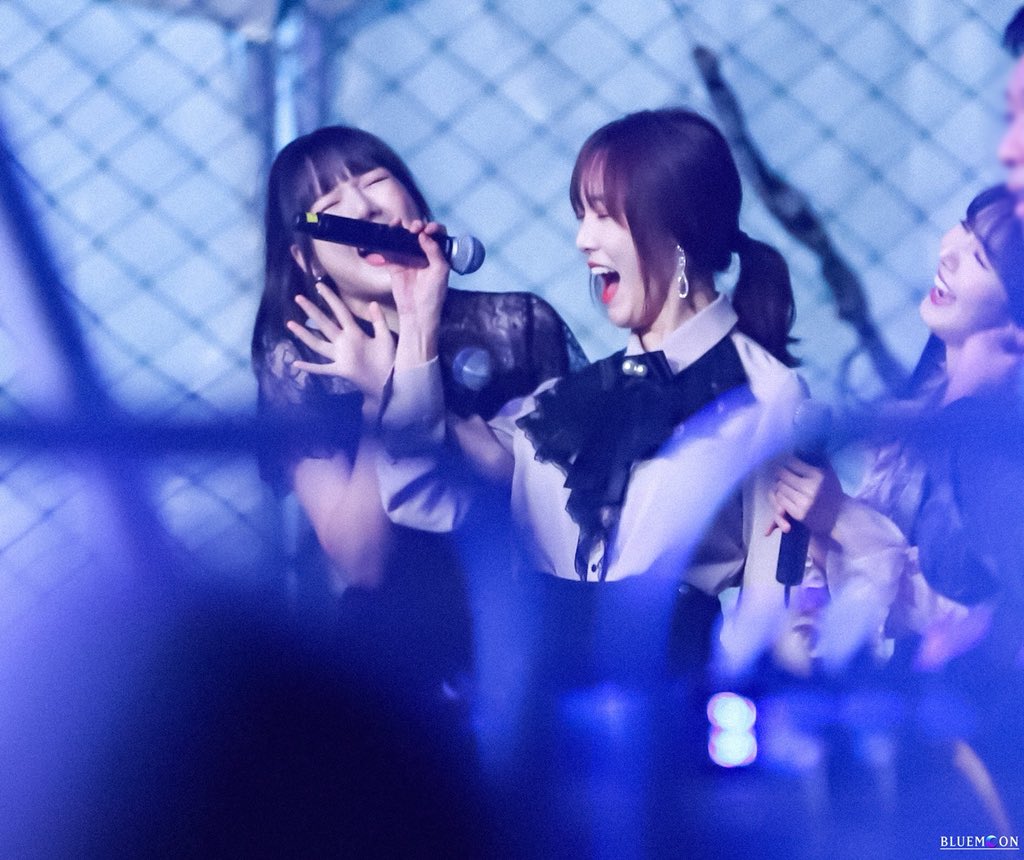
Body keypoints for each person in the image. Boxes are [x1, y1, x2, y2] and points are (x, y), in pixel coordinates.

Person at [374, 108, 806, 683]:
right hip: (536, 700)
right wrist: (417, 320)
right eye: (581, 216)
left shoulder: (767, 393)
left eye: (603, 215)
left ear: (678, 230)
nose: (583, 240)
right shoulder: (559, 403)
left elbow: (773, 604)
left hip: (667, 704)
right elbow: (416, 491)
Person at [250, 125, 587, 725]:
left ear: (414, 201)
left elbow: (553, 502)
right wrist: (379, 401)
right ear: (305, 257)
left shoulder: (520, 324)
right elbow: (362, 561)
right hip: (392, 674)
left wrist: (415, 339)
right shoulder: (299, 364)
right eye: (330, 204)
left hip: (537, 633)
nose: (363, 208)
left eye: (376, 180)